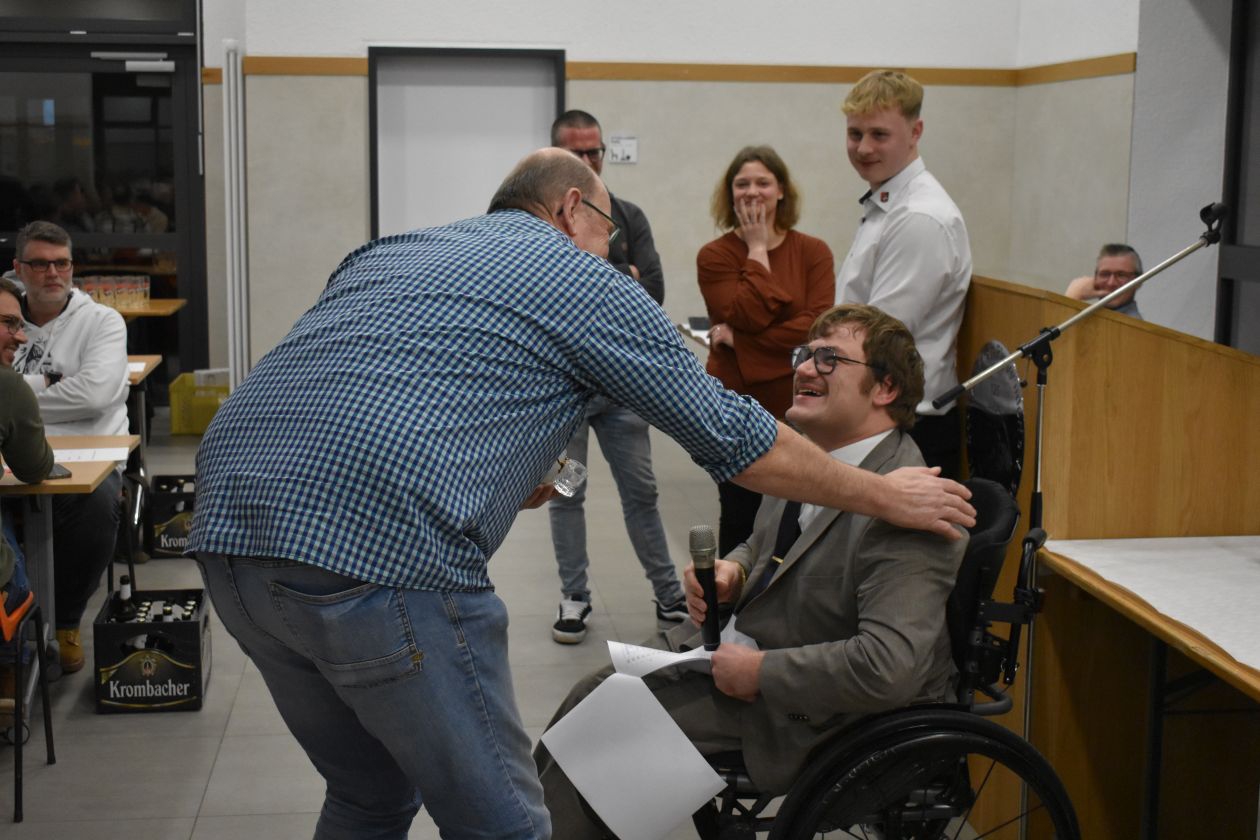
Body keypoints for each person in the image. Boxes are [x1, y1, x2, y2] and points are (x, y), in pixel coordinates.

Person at [187, 148, 972, 840]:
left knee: (368, 797)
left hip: (227, 534)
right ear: (571, 209)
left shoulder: (395, 249)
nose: (610, 253)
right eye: (607, 233)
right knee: (503, 824)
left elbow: (378, 380)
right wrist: (884, 496)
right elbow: (734, 436)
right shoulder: (575, 275)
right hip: (377, 553)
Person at [535, 303, 967, 837]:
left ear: (886, 388)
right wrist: (734, 573)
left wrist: (760, 672)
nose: (804, 368)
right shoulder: (813, 460)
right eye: (804, 354)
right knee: (589, 697)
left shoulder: (913, 505)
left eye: (830, 359)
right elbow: (760, 544)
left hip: (814, 712)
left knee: (603, 738)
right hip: (746, 650)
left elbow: (888, 667)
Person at [548, 109, 685, 644]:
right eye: (576, 152)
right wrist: (619, 274)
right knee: (567, 492)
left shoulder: (627, 216)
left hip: (623, 390)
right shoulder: (543, 224)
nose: (588, 161)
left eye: (595, 151)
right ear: (556, 156)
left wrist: (603, 279)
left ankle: (669, 595)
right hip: (565, 396)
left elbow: (653, 291)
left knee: (641, 492)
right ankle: (574, 597)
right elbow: (550, 296)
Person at [698, 145, 835, 555]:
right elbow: (745, 312)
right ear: (730, 194)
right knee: (740, 513)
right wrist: (758, 249)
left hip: (800, 400)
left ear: (781, 191)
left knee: (797, 512)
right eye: (742, 184)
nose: (752, 191)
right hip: (736, 404)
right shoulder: (715, 256)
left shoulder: (813, 251)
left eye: (763, 182)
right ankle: (729, 594)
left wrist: (741, 341)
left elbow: (816, 327)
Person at [836, 70, 972, 482]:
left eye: (879, 134)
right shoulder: (888, 203)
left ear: (915, 132)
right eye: (855, 133)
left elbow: (877, 339)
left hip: (906, 428)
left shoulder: (919, 216)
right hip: (879, 415)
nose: (863, 148)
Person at [9, 221, 129, 673]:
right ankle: (15, 629)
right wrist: (50, 384)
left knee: (96, 506)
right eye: (40, 264)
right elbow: (75, 395)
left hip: (90, 457)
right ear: (19, 268)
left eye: (62, 263)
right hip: (12, 451)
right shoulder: (5, 316)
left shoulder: (102, 321)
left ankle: (63, 622)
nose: (53, 273)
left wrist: (13, 396)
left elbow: (94, 395)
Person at [0, 276, 54, 644]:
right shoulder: (8, 385)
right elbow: (35, 468)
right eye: (9, 323)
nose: (20, 338)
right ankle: (28, 656)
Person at [1064, 243, 1144, 319]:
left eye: (1121, 275)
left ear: (1138, 282)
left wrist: (1071, 298)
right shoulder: (1091, 315)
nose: (1111, 283)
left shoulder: (1132, 325)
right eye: (1105, 274)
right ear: (1095, 278)